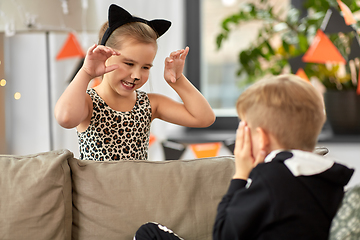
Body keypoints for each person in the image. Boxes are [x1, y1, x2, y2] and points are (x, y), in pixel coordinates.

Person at [54, 4, 215, 161]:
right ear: (105, 56)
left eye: (145, 67)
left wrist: (178, 81)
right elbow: (65, 118)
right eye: (129, 64)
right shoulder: (88, 102)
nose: (137, 75)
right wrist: (86, 72)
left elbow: (204, 118)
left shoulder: (150, 104)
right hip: (97, 188)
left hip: (138, 188)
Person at [213, 74, 354, 240]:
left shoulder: (270, 179)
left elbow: (223, 235)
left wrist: (241, 175)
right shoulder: (330, 179)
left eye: (245, 129)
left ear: (262, 138)